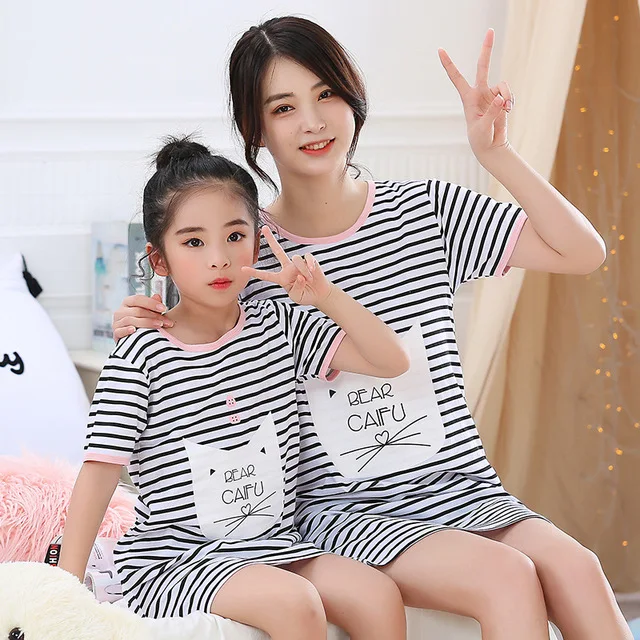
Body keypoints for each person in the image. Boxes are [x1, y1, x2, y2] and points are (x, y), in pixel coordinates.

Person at [112, 18, 632, 640]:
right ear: (255, 129)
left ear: (352, 97)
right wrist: (137, 318)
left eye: (326, 93)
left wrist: (495, 154)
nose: (313, 122)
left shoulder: (426, 210)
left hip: (463, 485)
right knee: (506, 577)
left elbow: (583, 252)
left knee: (579, 568)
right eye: (283, 107)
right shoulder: (243, 251)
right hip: (344, 512)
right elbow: (187, 340)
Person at [59, 137, 410, 640]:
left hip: (276, 545)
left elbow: (391, 361)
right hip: (178, 561)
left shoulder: (280, 325)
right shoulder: (140, 354)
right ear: (159, 260)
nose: (219, 259)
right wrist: (66, 587)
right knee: (296, 604)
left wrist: (324, 295)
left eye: (235, 235)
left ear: (258, 242)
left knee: (377, 595)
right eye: (194, 242)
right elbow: (100, 472)